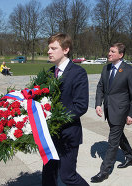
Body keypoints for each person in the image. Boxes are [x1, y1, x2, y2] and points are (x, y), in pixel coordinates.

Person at [42, 33, 89, 186]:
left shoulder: (78, 73)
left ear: (66, 49)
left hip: (68, 134)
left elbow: (81, 105)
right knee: (48, 175)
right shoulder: (49, 73)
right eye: (49, 48)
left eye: (53, 48)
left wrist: (57, 118)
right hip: (50, 135)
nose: (49, 51)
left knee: (67, 176)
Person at [91, 43, 132, 183]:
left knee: (112, 141)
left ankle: (104, 171)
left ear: (121, 55)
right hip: (108, 109)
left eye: (113, 51)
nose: (109, 53)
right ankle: (131, 157)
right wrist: (97, 104)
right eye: (109, 51)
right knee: (118, 135)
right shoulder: (106, 68)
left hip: (121, 111)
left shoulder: (129, 71)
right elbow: (100, 87)